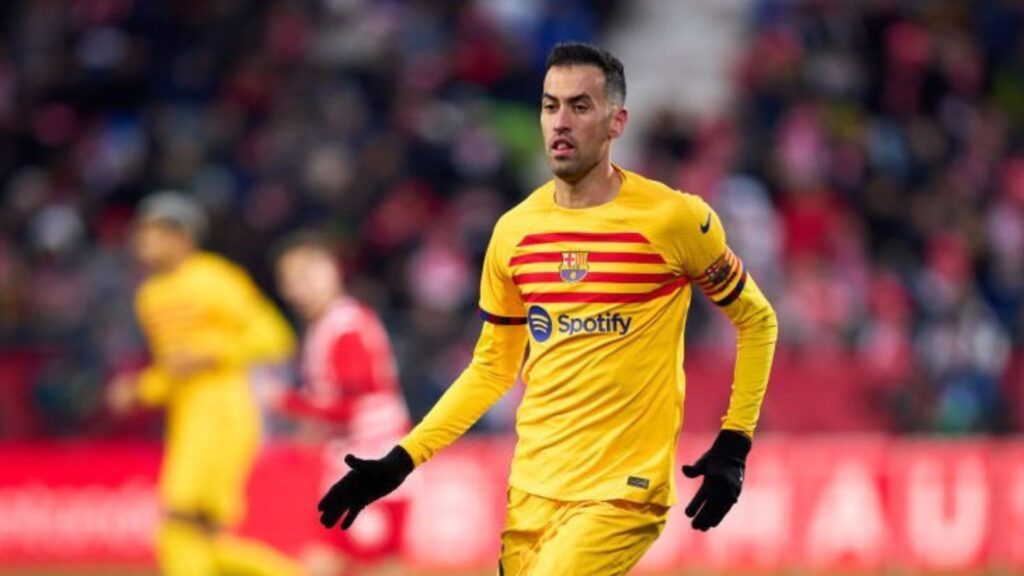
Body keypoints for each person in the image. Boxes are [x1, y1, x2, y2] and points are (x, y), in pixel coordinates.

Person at [316, 42, 779, 574]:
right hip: (532, 489)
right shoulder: (514, 232)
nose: (560, 122)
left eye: (580, 106)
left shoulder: (673, 219)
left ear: (615, 122)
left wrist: (735, 440)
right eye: (549, 105)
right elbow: (491, 369)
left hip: (619, 493)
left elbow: (757, 320)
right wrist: (401, 461)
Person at [107, 191, 305, 576]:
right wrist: (138, 390)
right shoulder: (149, 296)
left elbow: (274, 336)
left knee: (179, 524)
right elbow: (173, 371)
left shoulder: (214, 278)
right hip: (187, 416)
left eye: (152, 232)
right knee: (204, 538)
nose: (141, 242)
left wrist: (211, 352)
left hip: (223, 412)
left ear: (182, 236)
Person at [271, 231, 410, 575]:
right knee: (358, 560)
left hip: (372, 461)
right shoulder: (331, 325)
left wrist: (288, 402)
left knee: (352, 561)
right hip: (363, 460)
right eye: (290, 280)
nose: (298, 288)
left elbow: (354, 403)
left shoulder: (344, 326)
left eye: (307, 275)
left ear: (332, 271)